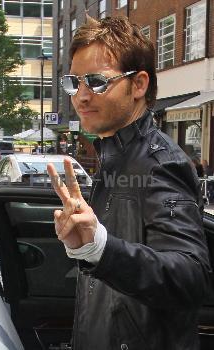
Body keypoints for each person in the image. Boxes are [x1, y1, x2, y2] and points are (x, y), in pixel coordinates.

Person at [47, 16, 211, 350]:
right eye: (73, 82)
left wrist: (103, 249)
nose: (80, 96)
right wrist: (91, 248)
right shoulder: (115, 156)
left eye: (96, 81)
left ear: (138, 85)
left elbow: (191, 276)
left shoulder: (160, 164)